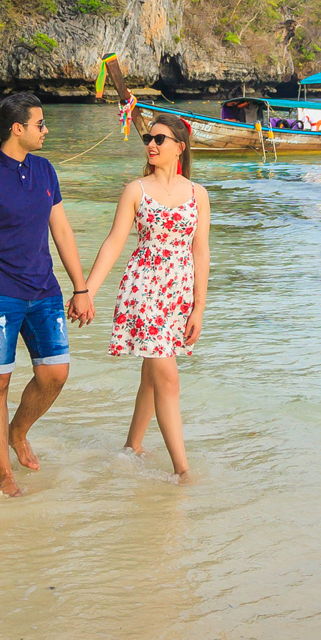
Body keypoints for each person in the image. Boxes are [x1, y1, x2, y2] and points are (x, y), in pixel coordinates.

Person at [0, 91, 94, 497]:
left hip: (44, 290)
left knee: (55, 373)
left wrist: (81, 288)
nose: (46, 130)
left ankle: (18, 431)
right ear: (17, 129)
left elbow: (61, 231)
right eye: (40, 124)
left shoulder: (44, 170)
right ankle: (2, 474)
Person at [79, 111, 211, 482]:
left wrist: (199, 307)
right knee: (167, 377)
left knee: (153, 377)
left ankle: (131, 447)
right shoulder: (135, 191)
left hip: (178, 296)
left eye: (159, 139)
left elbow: (201, 251)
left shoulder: (198, 195)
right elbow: (114, 243)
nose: (151, 144)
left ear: (179, 147)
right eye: (148, 139)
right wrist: (86, 291)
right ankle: (182, 471)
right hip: (144, 291)